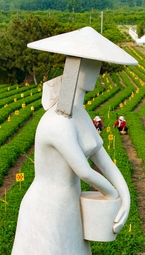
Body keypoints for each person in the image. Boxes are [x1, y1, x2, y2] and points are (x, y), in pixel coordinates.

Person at [12, 59, 131, 254]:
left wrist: (125, 196)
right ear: (73, 71)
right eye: (89, 66)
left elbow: (102, 158)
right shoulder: (58, 121)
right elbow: (84, 171)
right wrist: (113, 196)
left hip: (71, 205)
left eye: (97, 66)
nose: (96, 71)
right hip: (48, 207)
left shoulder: (80, 114)